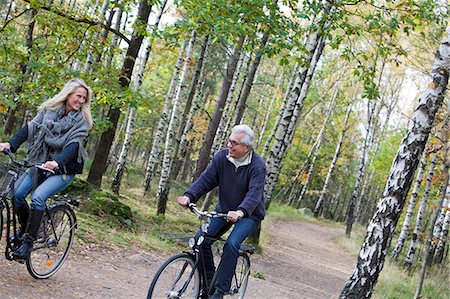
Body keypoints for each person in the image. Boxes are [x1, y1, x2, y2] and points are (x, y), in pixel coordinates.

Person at [0, 78, 93, 260]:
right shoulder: (49, 112)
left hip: (63, 169)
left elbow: (73, 146)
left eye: (84, 99)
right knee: (17, 194)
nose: (81, 101)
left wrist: (56, 162)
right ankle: (28, 228)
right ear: (68, 95)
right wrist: (10, 144)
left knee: (38, 197)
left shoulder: (81, 122)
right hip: (39, 161)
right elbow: (31, 128)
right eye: (79, 96)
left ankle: (28, 242)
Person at [177, 124, 266, 299]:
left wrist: (240, 211)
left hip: (248, 215)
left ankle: (220, 291)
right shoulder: (221, 158)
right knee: (199, 242)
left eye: (234, 143)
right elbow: (206, 179)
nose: (229, 145)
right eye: (229, 141)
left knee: (231, 244)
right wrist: (189, 196)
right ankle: (210, 282)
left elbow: (254, 194)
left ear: (246, 147)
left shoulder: (258, 166)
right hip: (224, 210)